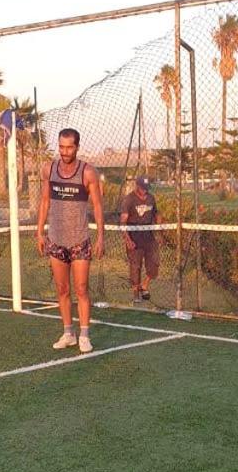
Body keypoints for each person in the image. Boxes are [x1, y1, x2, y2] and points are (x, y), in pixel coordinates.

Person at [36, 128, 105, 353]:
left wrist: (101, 236)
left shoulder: (88, 173)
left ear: (77, 147)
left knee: (82, 288)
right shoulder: (49, 169)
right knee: (62, 289)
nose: (65, 151)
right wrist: (40, 232)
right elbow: (45, 202)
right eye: (62, 147)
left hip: (79, 241)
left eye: (69, 147)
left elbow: (97, 206)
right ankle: (68, 333)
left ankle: (84, 334)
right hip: (56, 240)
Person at [119, 175, 161, 302]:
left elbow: (156, 214)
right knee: (135, 266)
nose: (145, 191)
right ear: (137, 186)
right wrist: (128, 240)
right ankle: (136, 293)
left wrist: (159, 231)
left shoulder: (151, 198)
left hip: (148, 236)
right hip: (134, 236)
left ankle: (144, 285)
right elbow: (123, 222)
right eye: (143, 188)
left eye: (147, 188)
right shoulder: (129, 200)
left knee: (154, 263)